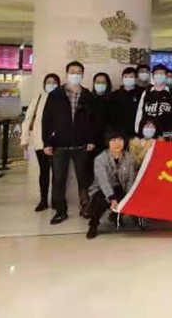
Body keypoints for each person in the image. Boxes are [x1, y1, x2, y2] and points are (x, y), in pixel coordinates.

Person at [42, 61, 96, 225]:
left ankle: (85, 207)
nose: (76, 75)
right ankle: (60, 211)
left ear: (83, 75)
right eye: (73, 72)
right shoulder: (56, 95)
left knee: (84, 179)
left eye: (79, 72)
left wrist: (91, 140)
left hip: (81, 145)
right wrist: (47, 142)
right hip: (59, 145)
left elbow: (93, 121)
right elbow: (47, 120)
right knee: (58, 179)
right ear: (67, 74)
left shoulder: (88, 95)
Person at [85, 130, 138, 239]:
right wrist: (112, 198)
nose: (117, 143)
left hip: (120, 188)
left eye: (120, 140)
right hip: (101, 189)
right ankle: (94, 224)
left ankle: (115, 216)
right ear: (108, 142)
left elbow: (130, 179)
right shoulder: (100, 159)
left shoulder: (128, 157)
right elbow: (103, 181)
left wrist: (129, 197)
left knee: (128, 198)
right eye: (113, 140)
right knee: (100, 200)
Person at [21, 73, 60, 212]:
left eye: (54, 82)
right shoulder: (38, 98)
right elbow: (28, 119)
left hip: (57, 142)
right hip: (40, 141)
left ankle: (56, 200)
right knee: (44, 172)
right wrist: (24, 138)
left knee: (58, 172)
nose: (51, 84)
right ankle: (43, 200)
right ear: (44, 84)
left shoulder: (61, 99)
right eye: (48, 82)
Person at [134, 64, 172, 138]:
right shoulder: (147, 92)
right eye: (157, 74)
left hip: (166, 133)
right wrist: (138, 130)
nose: (159, 76)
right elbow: (140, 111)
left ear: (166, 76)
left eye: (161, 74)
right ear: (153, 76)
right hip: (148, 133)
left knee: (163, 143)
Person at [90, 72, 113, 190]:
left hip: (107, 142)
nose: (100, 84)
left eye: (103, 82)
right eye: (98, 82)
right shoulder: (88, 99)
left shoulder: (112, 100)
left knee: (108, 172)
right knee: (92, 172)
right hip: (91, 143)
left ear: (107, 84)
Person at [110, 67, 141, 138]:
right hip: (118, 133)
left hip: (136, 133)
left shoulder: (141, 94)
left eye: (131, 77)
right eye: (126, 77)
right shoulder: (115, 95)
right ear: (122, 79)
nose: (128, 79)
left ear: (136, 79)